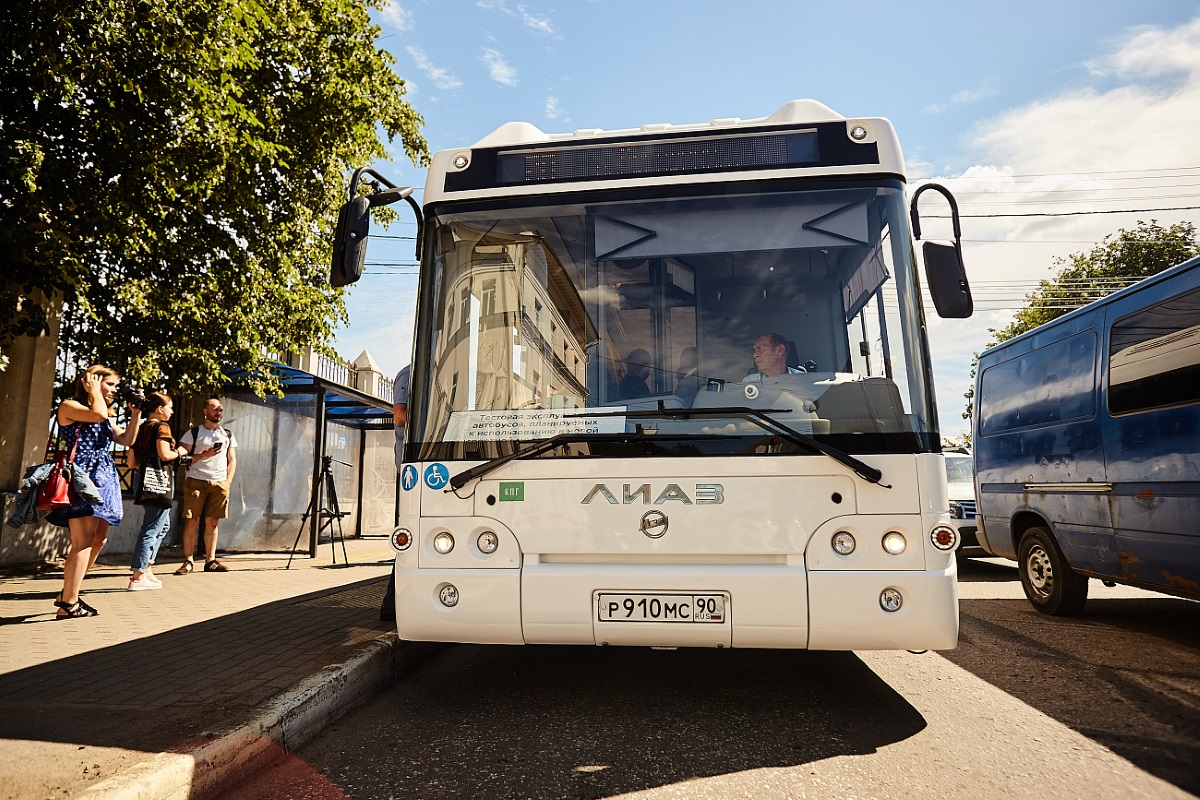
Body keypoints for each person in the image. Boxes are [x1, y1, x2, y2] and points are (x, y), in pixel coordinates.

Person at [51, 364, 142, 619]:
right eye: (110, 384)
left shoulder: (101, 411)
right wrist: (95, 393)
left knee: (99, 539)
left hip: (104, 479)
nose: (114, 390)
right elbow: (99, 415)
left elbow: (125, 440)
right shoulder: (70, 406)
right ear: (90, 381)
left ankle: (68, 592)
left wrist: (135, 414)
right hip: (83, 477)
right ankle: (68, 604)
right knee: (82, 542)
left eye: (114, 385)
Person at [126, 392, 191, 591]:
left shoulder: (141, 427)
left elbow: (131, 461)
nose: (172, 411)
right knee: (152, 527)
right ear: (160, 409)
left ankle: (147, 569)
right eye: (170, 407)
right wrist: (180, 452)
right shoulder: (161, 427)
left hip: (143, 477)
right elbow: (164, 455)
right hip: (159, 480)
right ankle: (137, 575)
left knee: (162, 525)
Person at [175, 398, 236, 574]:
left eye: (220, 409)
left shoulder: (227, 434)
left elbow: (232, 460)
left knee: (212, 522)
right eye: (215, 409)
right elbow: (182, 456)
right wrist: (202, 454)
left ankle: (210, 560)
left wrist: (227, 482)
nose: (218, 412)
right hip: (196, 480)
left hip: (219, 483)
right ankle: (188, 561)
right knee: (192, 521)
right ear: (205, 411)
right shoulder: (193, 433)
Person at [381, 365, 411, 622]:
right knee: (407, 535)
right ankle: (391, 603)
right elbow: (399, 416)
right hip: (410, 470)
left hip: (422, 467)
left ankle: (395, 602)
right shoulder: (408, 373)